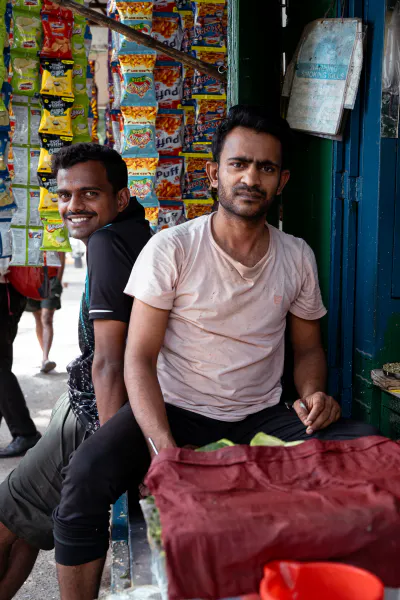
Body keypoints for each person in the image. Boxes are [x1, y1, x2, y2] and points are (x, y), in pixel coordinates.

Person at [52, 106, 380, 600]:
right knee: (83, 478)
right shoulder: (172, 248)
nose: (251, 178)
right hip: (178, 412)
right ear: (214, 173)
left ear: (282, 180)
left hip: (263, 415)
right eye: (239, 164)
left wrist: (313, 393)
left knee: (364, 449)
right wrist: (162, 450)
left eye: (266, 168)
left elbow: (309, 348)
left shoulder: (297, 256)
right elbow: (137, 358)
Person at [0, 143, 151, 598]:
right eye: (65, 195)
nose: (73, 206)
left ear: (119, 198)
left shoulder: (106, 244)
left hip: (90, 419)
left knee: (11, 513)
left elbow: (109, 359)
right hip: (102, 412)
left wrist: (110, 450)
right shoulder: (135, 231)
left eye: (88, 194)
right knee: (28, 525)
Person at [0, 275, 41, 458]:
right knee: (2, 363)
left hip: (5, 290)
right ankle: (24, 432)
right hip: (10, 291)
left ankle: (25, 433)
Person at [25, 253, 66, 374]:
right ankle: (44, 358)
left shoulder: (55, 233)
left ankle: (45, 357)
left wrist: (58, 280)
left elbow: (62, 255)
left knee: (46, 318)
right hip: (32, 278)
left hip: (51, 278)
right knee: (38, 317)